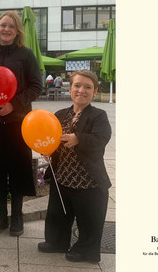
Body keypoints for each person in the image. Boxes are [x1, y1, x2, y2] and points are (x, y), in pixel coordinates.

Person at [0, 11, 42, 237]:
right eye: (2, 25)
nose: (6, 29)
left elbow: (36, 86)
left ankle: (18, 216)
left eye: (11, 26)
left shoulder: (26, 55)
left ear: (17, 31)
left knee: (18, 168)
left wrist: (14, 104)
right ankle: (1, 216)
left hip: (18, 122)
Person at [37, 70, 112, 263]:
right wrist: (47, 150)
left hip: (88, 180)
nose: (81, 90)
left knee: (88, 219)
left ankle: (86, 250)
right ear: (70, 89)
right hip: (62, 176)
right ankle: (56, 242)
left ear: (94, 92)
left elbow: (102, 138)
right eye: (77, 85)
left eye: (88, 87)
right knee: (58, 213)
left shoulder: (98, 116)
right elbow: (51, 139)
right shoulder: (61, 114)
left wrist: (79, 138)